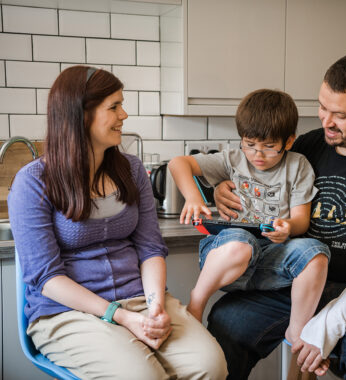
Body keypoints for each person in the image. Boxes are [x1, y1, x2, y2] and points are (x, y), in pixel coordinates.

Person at [209, 53, 346, 379]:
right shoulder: (308, 146)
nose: (325, 120)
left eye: (339, 114)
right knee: (226, 324)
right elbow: (253, 174)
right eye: (322, 107)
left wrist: (329, 321)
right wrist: (222, 188)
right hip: (297, 280)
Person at [8, 66, 227, 380]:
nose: (124, 115)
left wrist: (154, 308)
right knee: (142, 376)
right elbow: (45, 276)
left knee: (210, 365)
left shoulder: (131, 170)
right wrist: (119, 316)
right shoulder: (33, 182)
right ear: (79, 115)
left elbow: (151, 248)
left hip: (139, 299)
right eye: (113, 107)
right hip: (66, 314)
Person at [168, 89, 331, 350]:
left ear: (289, 142)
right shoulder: (233, 159)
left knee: (315, 253)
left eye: (269, 147)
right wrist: (193, 198)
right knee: (241, 241)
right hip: (229, 259)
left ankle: (298, 331)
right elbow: (178, 163)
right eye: (250, 144)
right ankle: (196, 304)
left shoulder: (298, 165)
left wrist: (287, 227)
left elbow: (302, 220)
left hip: (271, 260)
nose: (257, 155)